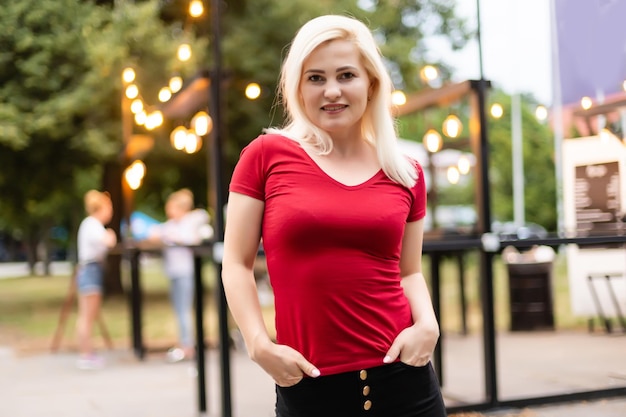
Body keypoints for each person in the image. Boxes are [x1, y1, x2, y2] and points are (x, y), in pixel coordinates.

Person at [222, 14, 446, 417]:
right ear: (298, 86)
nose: (332, 91)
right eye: (316, 78)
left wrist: (427, 325)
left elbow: (408, 271)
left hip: (405, 380)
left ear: (371, 83)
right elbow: (235, 264)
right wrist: (258, 344)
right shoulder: (265, 156)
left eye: (346, 75)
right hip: (310, 386)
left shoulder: (406, 171)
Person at [148, 188, 211, 362]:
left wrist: (174, 236)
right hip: (173, 272)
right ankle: (183, 343)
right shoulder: (170, 226)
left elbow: (193, 235)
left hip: (185, 272)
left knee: (184, 309)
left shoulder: (189, 224)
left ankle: (188, 345)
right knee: (178, 309)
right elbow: (154, 233)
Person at [76, 190, 117, 370]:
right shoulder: (93, 224)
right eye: (109, 207)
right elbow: (108, 242)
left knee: (86, 315)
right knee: (88, 316)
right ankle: (86, 354)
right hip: (91, 269)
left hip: (89, 269)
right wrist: (111, 235)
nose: (111, 211)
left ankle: (87, 353)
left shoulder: (90, 224)